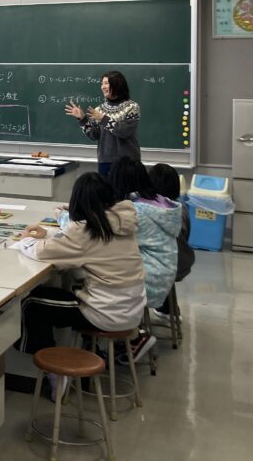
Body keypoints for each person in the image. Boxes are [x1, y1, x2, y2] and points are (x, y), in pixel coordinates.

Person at [15, 172, 145, 397]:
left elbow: (43, 252)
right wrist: (52, 234)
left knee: (31, 304)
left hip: (105, 313)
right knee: (61, 289)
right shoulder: (120, 222)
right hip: (132, 309)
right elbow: (81, 247)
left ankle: (54, 373)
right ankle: (89, 350)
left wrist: (25, 240)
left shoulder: (88, 229)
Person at [109, 157, 183, 360]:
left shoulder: (135, 212)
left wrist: (67, 216)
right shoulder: (158, 203)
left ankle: (132, 337)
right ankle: (129, 333)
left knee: (94, 277)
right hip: (163, 274)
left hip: (147, 281)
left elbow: (102, 232)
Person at [64, 70, 140, 176]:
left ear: (117, 85)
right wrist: (82, 119)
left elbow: (125, 132)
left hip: (128, 162)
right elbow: (94, 135)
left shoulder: (132, 107)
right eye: (102, 83)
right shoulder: (99, 109)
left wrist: (103, 119)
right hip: (105, 162)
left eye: (106, 83)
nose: (103, 87)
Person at [148, 162, 194, 322]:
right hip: (180, 263)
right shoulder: (181, 208)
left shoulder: (149, 210)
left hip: (159, 266)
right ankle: (168, 309)